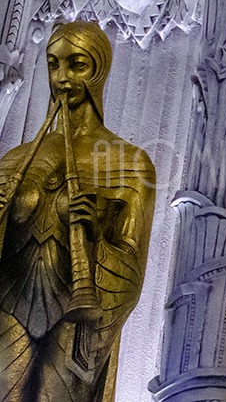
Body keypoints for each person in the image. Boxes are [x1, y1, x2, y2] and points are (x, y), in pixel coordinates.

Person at [0, 22, 155, 402]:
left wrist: (95, 239)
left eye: (77, 64)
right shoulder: (17, 158)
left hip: (77, 315)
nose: (62, 78)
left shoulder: (129, 163)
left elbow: (131, 263)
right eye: (54, 65)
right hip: (8, 303)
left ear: (98, 70)